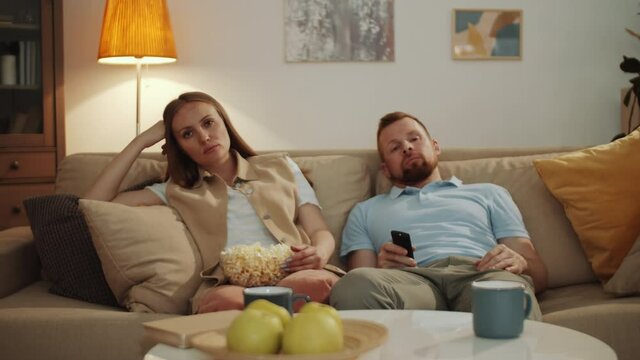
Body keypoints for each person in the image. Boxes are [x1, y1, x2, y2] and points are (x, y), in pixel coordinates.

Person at [85, 91, 341, 313]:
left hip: (296, 272)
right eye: (187, 134)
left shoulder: (281, 166)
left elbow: (319, 230)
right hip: (229, 286)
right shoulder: (174, 190)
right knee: (224, 302)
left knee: (314, 284)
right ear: (180, 147)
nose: (204, 137)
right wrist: (141, 142)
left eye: (209, 123)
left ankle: (270, 311)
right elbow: (93, 204)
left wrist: (319, 253)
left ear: (225, 123)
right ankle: (275, 313)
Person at [329, 111, 547, 319]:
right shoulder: (365, 210)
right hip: (412, 282)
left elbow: (538, 274)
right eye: (395, 148)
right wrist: (381, 266)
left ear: (435, 147)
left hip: (480, 274)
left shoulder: (489, 193)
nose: (406, 147)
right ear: (385, 169)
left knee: (510, 295)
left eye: (414, 139)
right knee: (354, 285)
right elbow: (359, 274)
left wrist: (519, 262)